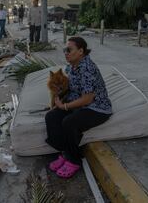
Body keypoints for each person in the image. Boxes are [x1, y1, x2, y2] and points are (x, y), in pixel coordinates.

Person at [45, 37, 112, 178]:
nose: (66, 53)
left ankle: (74, 160)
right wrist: (57, 94)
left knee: (69, 122)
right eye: (65, 50)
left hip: (96, 108)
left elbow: (88, 99)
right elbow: (69, 87)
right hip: (80, 104)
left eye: (69, 50)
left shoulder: (87, 68)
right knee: (51, 117)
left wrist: (64, 106)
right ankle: (65, 152)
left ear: (81, 51)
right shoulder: (72, 66)